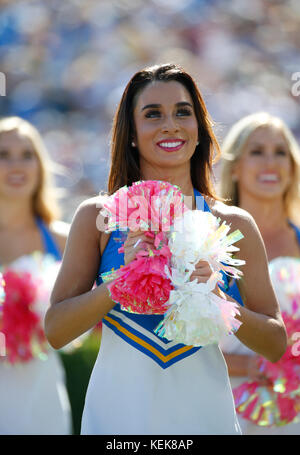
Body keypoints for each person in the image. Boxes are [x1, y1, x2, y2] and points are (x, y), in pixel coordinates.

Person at [45, 64, 287, 435]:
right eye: (152, 114)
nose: (170, 124)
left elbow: (274, 343)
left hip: (205, 414)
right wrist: (120, 284)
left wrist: (220, 299)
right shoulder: (97, 217)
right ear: (132, 134)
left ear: (199, 128)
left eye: (183, 112)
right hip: (118, 415)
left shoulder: (234, 222)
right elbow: (57, 330)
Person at [219, 111, 300, 435]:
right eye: (257, 151)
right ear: (235, 167)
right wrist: (252, 365)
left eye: (280, 152)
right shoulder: (209, 242)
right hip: (224, 406)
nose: (271, 162)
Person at [0, 116, 71, 435]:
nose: (17, 165)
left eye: (27, 155)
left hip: (42, 395)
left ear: (40, 166)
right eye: (4, 155)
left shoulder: (64, 239)